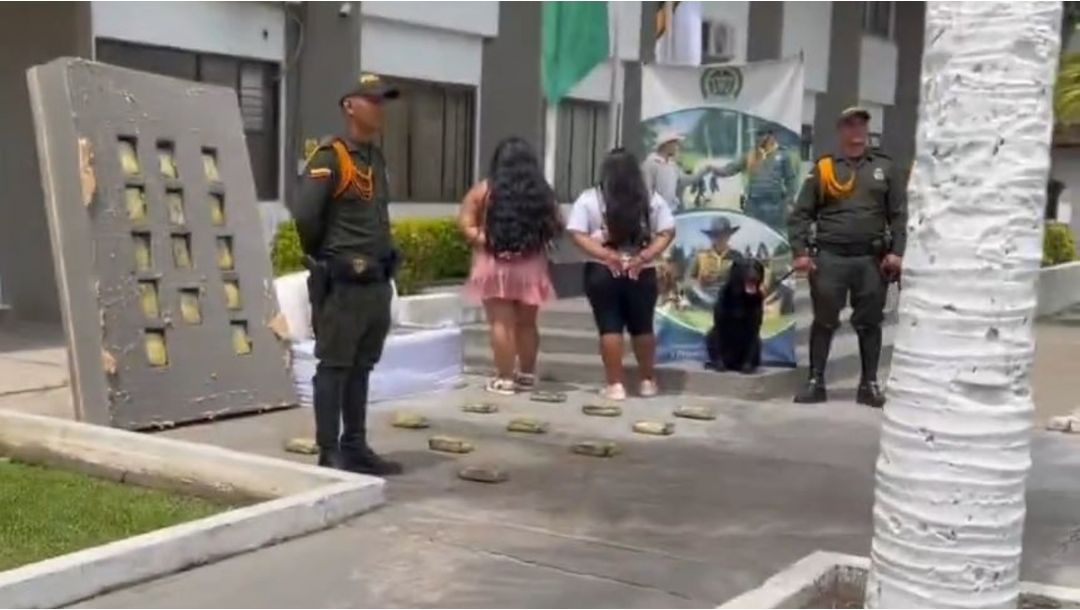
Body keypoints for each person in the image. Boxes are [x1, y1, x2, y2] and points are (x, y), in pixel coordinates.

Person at [291, 73, 403, 475]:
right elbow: (306, 216)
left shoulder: (374, 157)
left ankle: (355, 445)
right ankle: (328, 450)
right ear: (350, 106)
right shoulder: (329, 157)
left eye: (383, 101)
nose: (380, 108)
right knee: (335, 367)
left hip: (375, 284)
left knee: (361, 367)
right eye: (372, 100)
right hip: (342, 285)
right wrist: (327, 258)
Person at [788, 106, 906, 408]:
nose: (857, 132)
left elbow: (899, 215)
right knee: (825, 320)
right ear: (841, 131)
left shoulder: (885, 167)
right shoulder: (825, 168)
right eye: (850, 126)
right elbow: (802, 213)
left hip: (871, 259)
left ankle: (869, 383)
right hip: (830, 257)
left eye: (862, 126)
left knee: (870, 322)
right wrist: (800, 252)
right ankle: (816, 382)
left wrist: (897, 253)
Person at [568, 148, 676, 400]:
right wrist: (645, 256)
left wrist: (605, 255)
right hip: (642, 270)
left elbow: (576, 232)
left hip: (603, 270)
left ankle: (615, 385)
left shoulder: (591, 197)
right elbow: (668, 231)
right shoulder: (649, 198)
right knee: (643, 326)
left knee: (609, 326)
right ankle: (647, 381)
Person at [459, 137, 560, 395]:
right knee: (527, 323)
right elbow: (557, 225)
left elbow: (466, 223)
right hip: (530, 264)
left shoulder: (484, 189)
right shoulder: (542, 193)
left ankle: (504, 378)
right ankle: (526, 374)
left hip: (493, 263)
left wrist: (487, 240)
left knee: (500, 324)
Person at [713, 127, 799, 230]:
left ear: (770, 136)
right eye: (757, 135)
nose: (758, 138)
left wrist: (790, 201)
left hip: (775, 207)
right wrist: (713, 170)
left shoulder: (782, 155)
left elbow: (791, 180)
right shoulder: (751, 155)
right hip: (754, 206)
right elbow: (731, 169)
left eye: (761, 135)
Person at [641, 131, 722, 212]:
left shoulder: (672, 165)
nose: (677, 147)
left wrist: (705, 170)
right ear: (666, 145)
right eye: (675, 143)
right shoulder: (651, 164)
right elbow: (647, 191)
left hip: (672, 211)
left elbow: (685, 180)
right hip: (658, 214)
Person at [687, 216, 744, 303]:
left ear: (728, 236)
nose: (719, 238)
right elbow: (691, 277)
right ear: (710, 237)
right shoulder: (700, 255)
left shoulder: (737, 256)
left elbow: (743, 280)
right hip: (704, 296)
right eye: (716, 235)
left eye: (723, 235)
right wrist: (698, 286)